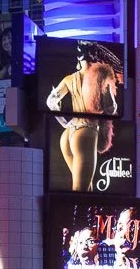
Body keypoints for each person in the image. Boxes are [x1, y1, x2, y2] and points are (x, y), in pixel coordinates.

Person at [45, 41, 123, 192]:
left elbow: (50, 102)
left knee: (86, 188)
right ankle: (73, 216)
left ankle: (87, 216)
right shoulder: (101, 77)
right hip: (86, 132)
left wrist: (64, 123)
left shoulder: (69, 79)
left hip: (68, 135)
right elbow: (111, 108)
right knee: (81, 190)